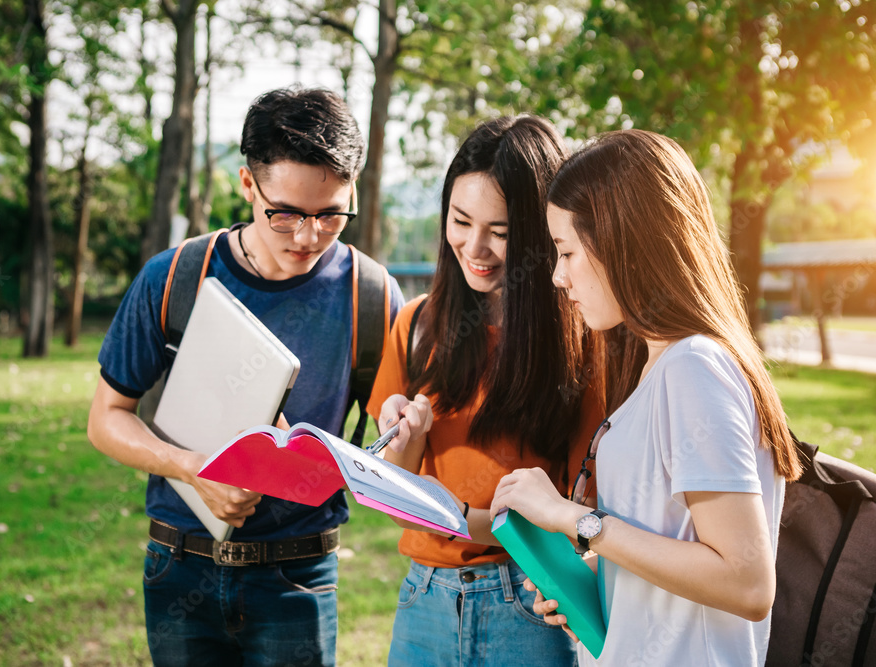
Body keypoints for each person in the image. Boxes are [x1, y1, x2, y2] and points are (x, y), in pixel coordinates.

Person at [87, 87, 404, 667]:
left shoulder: (372, 295)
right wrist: (192, 469)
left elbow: (388, 432)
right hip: (179, 565)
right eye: (284, 213)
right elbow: (106, 420)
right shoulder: (175, 277)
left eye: (331, 213)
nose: (308, 237)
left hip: (299, 577)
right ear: (246, 186)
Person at [490, 129, 803, 666]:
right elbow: (670, 549)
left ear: (622, 242)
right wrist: (590, 583)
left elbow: (747, 583)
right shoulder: (658, 366)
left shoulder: (694, 366)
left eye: (566, 251)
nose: (558, 277)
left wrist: (573, 519)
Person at [366, 115, 605, 666]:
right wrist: (405, 440)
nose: (475, 248)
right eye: (460, 220)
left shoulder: (582, 343)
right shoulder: (415, 327)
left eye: (500, 232)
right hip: (423, 600)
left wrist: (456, 517)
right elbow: (398, 499)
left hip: (526, 601)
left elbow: (582, 513)